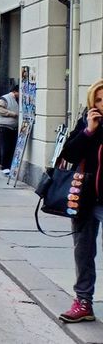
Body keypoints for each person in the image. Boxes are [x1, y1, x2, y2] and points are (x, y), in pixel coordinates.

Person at [59, 80, 103, 323]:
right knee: (83, 252)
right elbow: (69, 154)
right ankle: (83, 302)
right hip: (85, 198)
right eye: (98, 100)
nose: (102, 104)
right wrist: (88, 131)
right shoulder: (87, 122)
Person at [0, 85, 20, 174]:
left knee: (10, 147)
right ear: (15, 91)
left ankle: (8, 166)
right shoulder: (5, 98)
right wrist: (12, 114)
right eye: (19, 92)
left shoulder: (16, 100)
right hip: (4, 126)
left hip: (12, 127)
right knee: (5, 147)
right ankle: (5, 167)